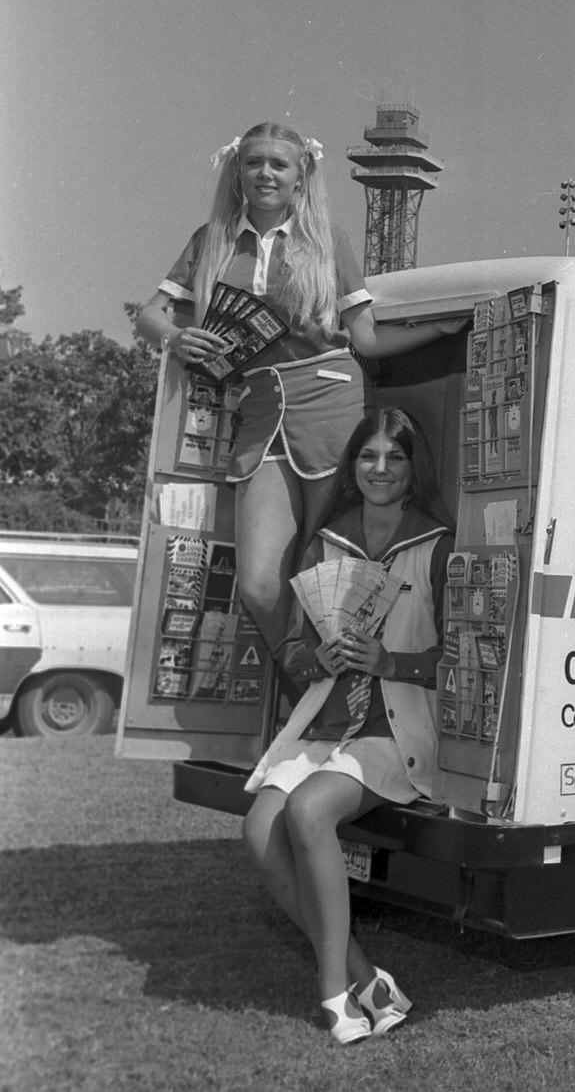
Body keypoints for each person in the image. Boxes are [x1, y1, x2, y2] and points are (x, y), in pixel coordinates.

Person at [136, 122, 460, 655]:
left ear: (300, 176)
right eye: (254, 162)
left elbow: (367, 339)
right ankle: (301, 682)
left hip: (331, 401)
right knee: (260, 584)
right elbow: (151, 314)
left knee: (331, 576)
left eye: (278, 164)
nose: (265, 173)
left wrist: (439, 328)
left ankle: (322, 707)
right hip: (261, 413)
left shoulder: (328, 240)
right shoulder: (211, 240)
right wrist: (175, 337)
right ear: (237, 171)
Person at [240, 407, 456, 1044]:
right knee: (258, 830)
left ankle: (333, 996)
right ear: (352, 465)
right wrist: (320, 657)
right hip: (325, 724)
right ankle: (369, 981)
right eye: (368, 456)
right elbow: (295, 650)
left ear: (415, 469)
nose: (381, 469)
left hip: (397, 731)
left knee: (308, 813)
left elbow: (468, 659)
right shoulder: (325, 541)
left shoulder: (439, 545)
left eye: (395, 457)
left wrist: (392, 660)